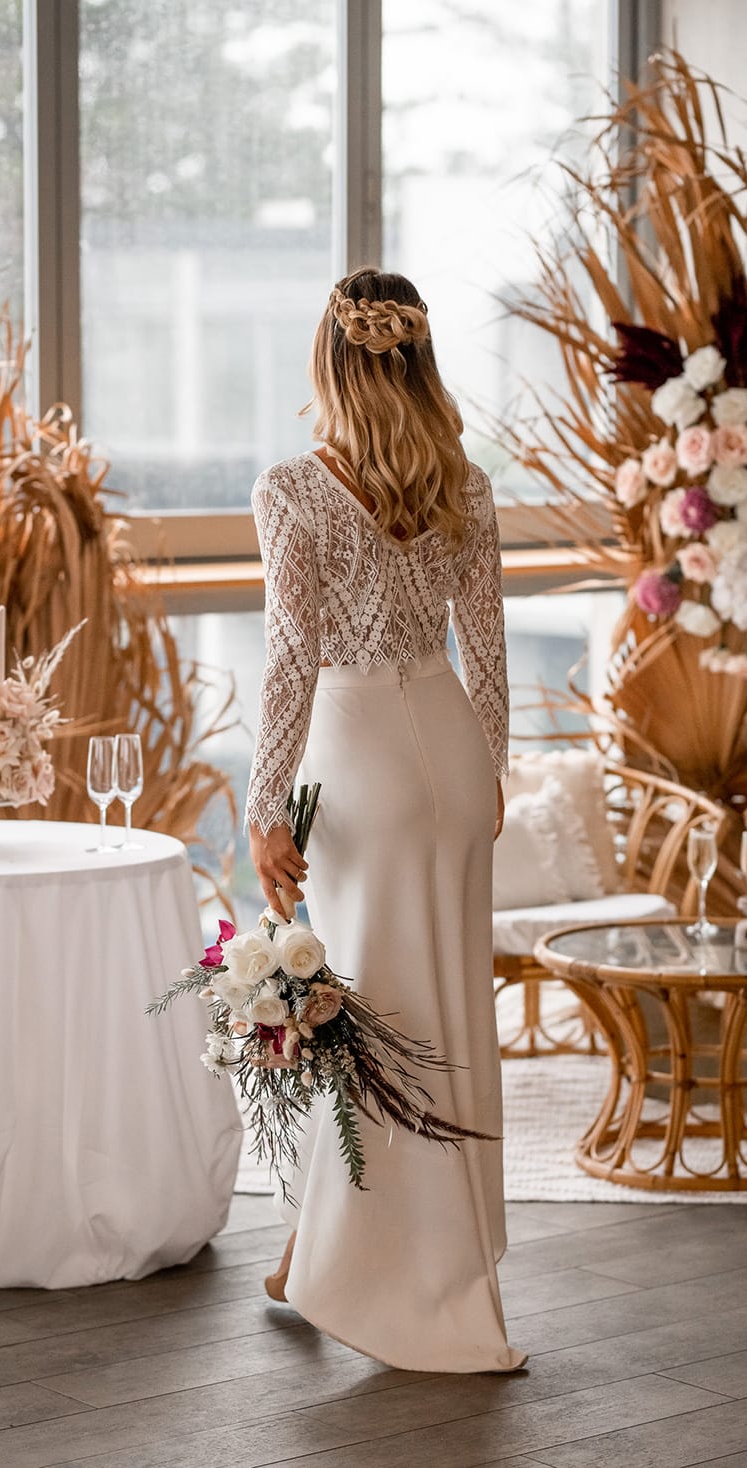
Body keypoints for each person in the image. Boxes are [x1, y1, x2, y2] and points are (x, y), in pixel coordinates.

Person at [244, 266, 527, 1374]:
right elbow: (489, 651)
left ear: (331, 359)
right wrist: (491, 778)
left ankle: (388, 1279)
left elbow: (287, 661)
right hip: (451, 756)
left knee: (367, 1018)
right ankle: (330, 1255)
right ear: (415, 358)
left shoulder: (291, 489)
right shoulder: (464, 482)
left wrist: (265, 803)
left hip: (361, 757)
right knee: (440, 1012)